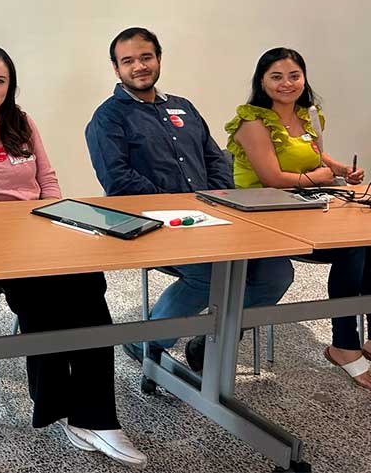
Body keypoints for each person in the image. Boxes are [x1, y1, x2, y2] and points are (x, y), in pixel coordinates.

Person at [0, 45, 147, 468]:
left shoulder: (21, 122)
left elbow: (47, 181)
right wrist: (5, 236)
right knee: (43, 299)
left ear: (9, 87)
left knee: (87, 284)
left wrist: (55, 226)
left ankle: (95, 415)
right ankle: (66, 410)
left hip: (43, 229)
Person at [85, 27, 294, 386]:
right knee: (210, 273)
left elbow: (215, 159)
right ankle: (146, 341)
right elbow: (118, 181)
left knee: (277, 271)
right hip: (154, 225)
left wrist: (216, 200)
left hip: (210, 217)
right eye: (128, 60)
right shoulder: (108, 117)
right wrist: (179, 206)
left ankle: (212, 337)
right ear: (116, 68)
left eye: (146, 57)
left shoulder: (184, 106)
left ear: (158, 59)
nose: (139, 66)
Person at [225, 47, 369, 389]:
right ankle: (344, 344)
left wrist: (340, 170)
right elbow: (273, 178)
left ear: (304, 79)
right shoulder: (252, 121)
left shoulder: (308, 116)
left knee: (366, 241)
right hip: (264, 217)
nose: (287, 83)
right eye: (276, 76)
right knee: (352, 249)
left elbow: (316, 155)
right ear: (262, 81)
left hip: (305, 208)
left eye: (294, 76)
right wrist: (316, 178)